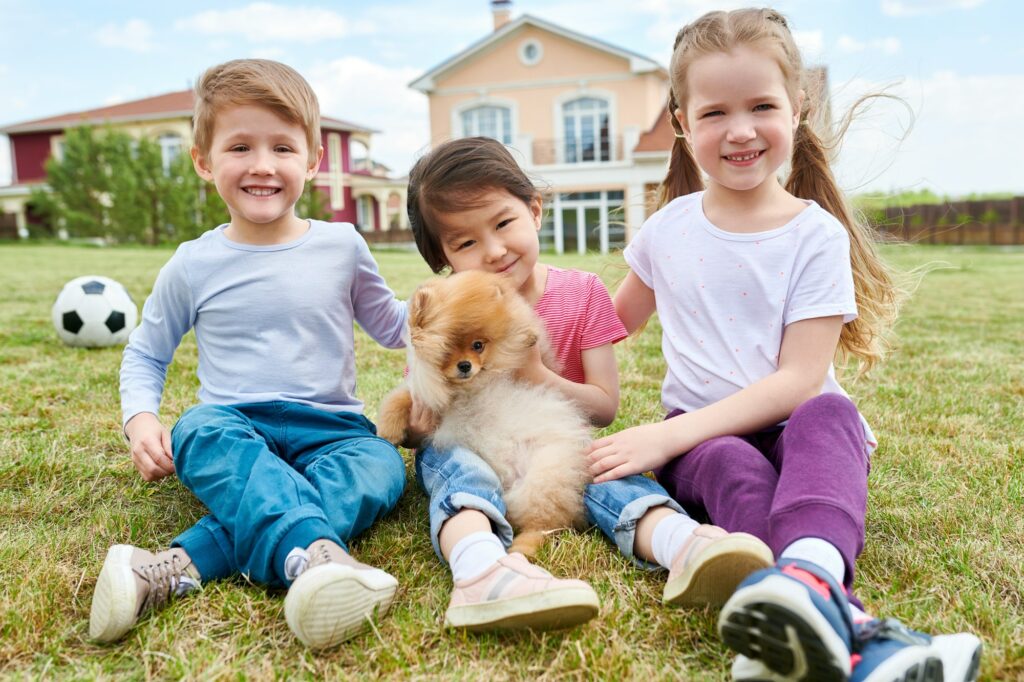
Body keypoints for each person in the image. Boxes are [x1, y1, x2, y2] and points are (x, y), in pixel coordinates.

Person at [587, 8, 982, 681]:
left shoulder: (814, 236)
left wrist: (659, 439)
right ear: (683, 123)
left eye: (761, 106)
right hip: (703, 441)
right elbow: (609, 324)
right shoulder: (666, 230)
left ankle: (806, 583)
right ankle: (855, 631)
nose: (739, 130)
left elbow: (801, 381)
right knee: (730, 463)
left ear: (797, 108)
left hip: (795, 422)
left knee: (833, 414)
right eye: (714, 113)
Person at [88, 59, 408, 651]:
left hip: (334, 431)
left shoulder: (343, 245)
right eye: (240, 146)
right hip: (237, 427)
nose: (262, 165)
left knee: (383, 467)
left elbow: (394, 327)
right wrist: (141, 419)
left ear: (312, 161)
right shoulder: (193, 262)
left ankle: (172, 568)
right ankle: (319, 557)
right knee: (198, 429)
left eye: (282, 148)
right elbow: (147, 353)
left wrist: (455, 309)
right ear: (204, 160)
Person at [403, 136, 775, 633]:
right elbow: (421, 413)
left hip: (551, 447)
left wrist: (538, 375)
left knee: (609, 469)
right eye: (465, 242)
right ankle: (479, 569)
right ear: (441, 256)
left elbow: (603, 408)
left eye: (503, 223)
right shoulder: (441, 309)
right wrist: (414, 423)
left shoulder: (581, 293)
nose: (492, 251)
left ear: (534, 210)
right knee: (453, 467)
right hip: (470, 442)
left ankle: (680, 544)